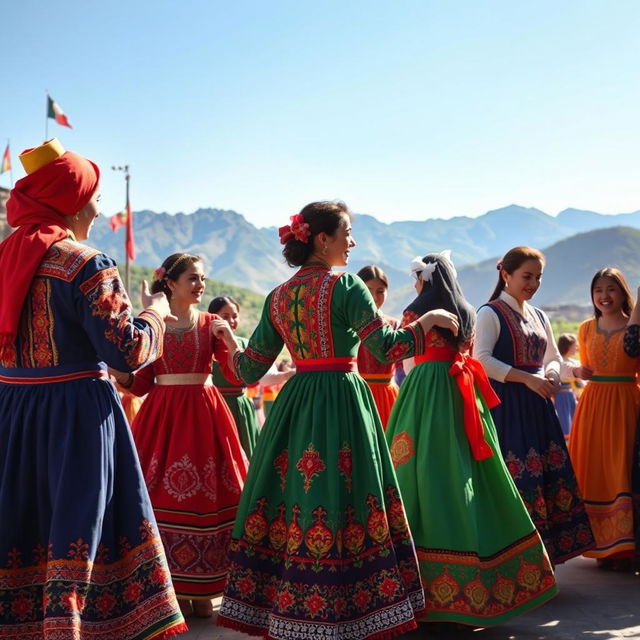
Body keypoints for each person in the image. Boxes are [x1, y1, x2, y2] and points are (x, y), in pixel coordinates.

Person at [213, 201, 460, 640]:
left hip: (296, 405)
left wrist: (228, 340)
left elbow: (248, 370)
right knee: (348, 496)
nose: (352, 242)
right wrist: (427, 321)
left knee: (300, 499)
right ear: (322, 239)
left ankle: (293, 610)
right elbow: (385, 347)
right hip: (343, 400)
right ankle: (351, 610)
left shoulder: (278, 296)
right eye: (346, 233)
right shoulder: (347, 285)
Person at [0, 139, 185, 638]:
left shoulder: (5, 258)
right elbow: (126, 352)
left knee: (23, 522)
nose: (100, 207)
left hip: (13, 412)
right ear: (76, 200)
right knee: (83, 525)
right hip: (75, 417)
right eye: (97, 196)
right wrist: (156, 314)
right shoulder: (85, 263)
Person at [385, 252, 556, 627]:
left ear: (423, 280)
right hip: (464, 399)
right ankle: (484, 580)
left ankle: (418, 588)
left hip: (425, 397)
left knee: (418, 473)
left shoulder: (415, 312)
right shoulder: (466, 310)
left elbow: (409, 361)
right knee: (471, 472)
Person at [113, 253, 248, 618]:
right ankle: (168, 588)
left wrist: (231, 340)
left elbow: (238, 377)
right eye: (192, 279)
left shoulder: (211, 324)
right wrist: (115, 369)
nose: (200, 285)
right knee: (155, 497)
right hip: (162, 422)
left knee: (214, 495)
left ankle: (206, 588)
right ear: (169, 284)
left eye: (202, 279)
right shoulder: (154, 326)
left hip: (206, 418)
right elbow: (140, 384)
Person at [474, 246, 594, 565]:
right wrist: (527, 379)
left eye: (538, 277)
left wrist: (553, 375)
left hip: (539, 407)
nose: (533, 283)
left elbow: (552, 357)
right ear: (506, 275)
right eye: (527, 276)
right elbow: (481, 359)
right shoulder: (490, 313)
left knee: (545, 479)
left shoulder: (539, 315)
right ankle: (519, 560)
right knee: (519, 478)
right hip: (508, 408)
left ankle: (544, 559)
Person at [570, 268, 639, 569]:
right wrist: (576, 372)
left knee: (620, 469)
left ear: (623, 292)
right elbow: (582, 367)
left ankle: (623, 546)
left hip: (626, 404)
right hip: (593, 405)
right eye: (598, 290)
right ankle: (600, 545)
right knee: (594, 468)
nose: (604, 296)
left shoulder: (635, 327)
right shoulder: (585, 328)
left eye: (611, 289)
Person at [209, 296, 261, 458]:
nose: (231, 321)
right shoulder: (205, 343)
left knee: (245, 453)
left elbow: (253, 379)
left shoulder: (245, 344)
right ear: (212, 317)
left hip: (240, 407)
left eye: (235, 316)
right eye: (225, 316)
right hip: (215, 406)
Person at [356, 265, 400, 429]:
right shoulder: (348, 324)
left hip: (388, 395)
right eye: (368, 290)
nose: (374, 297)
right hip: (358, 394)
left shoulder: (394, 324)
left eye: (380, 291)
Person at [554, 333, 583, 441]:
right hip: (562, 397)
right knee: (564, 421)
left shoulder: (574, 362)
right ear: (568, 346)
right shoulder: (558, 362)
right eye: (575, 345)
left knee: (574, 421)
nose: (577, 348)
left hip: (572, 396)